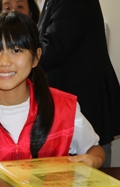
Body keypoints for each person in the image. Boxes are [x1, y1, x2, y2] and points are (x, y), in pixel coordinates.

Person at [0, 11, 105, 173]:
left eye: (16, 51)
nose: (4, 62)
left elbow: (93, 149)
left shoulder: (64, 107)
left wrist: (95, 159)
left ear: (36, 57)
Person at [38, 0, 120, 168]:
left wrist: (19, 57)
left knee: (92, 174)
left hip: (84, 102)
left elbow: (54, 46)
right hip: (71, 102)